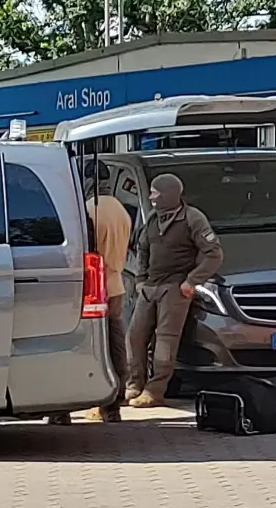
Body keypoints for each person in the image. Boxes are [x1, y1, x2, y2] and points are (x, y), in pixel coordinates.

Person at [126, 173, 224, 409]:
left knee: (165, 340)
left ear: (168, 193)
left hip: (175, 288)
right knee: (135, 336)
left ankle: (154, 391)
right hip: (150, 287)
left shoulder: (193, 218)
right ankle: (134, 384)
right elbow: (142, 249)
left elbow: (214, 254)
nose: (151, 197)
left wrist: (191, 281)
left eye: (155, 193)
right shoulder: (152, 218)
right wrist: (140, 279)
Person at [82, 177, 134, 422]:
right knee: (116, 346)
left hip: (92, 287)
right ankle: (113, 406)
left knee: (86, 346)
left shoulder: (88, 210)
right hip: (116, 284)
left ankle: (63, 410)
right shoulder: (120, 209)